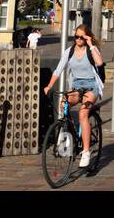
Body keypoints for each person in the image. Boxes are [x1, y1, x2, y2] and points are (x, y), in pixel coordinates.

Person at [43, 26, 105, 168]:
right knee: (63, 104)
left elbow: (100, 63)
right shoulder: (69, 52)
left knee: (83, 113)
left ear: (87, 37)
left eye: (82, 37)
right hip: (76, 85)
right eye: (76, 36)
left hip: (91, 86)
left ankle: (86, 151)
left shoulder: (91, 50)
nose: (78, 39)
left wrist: (91, 45)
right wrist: (49, 86)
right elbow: (58, 70)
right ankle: (69, 134)